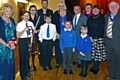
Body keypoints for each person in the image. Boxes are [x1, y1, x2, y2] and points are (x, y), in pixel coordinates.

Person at [53, 1, 73, 68]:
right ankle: (58, 62)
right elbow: (53, 24)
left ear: (65, 6)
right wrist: (56, 33)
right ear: (58, 7)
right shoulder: (55, 14)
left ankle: (67, 61)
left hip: (67, 34)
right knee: (58, 48)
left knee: (67, 48)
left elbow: (71, 24)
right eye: (60, 6)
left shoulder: (69, 13)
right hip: (58, 34)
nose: (61, 7)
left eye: (62, 5)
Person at [87, 5, 106, 74]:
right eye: (94, 9)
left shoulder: (102, 18)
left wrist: (94, 38)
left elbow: (101, 30)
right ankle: (94, 66)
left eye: (96, 9)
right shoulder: (90, 18)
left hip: (98, 39)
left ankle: (96, 67)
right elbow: (87, 28)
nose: (95, 11)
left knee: (98, 55)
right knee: (93, 54)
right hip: (91, 38)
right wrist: (90, 36)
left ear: (99, 10)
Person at [104, 1, 120, 80]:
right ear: (109, 8)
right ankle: (111, 74)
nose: (113, 7)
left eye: (115, 6)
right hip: (108, 41)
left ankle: (118, 76)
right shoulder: (106, 17)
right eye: (111, 6)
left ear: (118, 7)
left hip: (118, 42)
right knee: (110, 60)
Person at [16, 11, 35, 80]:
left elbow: (32, 33)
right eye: (25, 16)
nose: (26, 17)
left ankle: (27, 71)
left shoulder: (31, 23)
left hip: (29, 40)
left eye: (28, 16)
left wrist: (31, 42)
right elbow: (17, 35)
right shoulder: (19, 24)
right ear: (22, 16)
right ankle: (22, 74)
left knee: (27, 58)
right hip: (22, 41)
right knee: (23, 58)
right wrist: (24, 30)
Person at [0, 3, 16, 80]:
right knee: (3, 66)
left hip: (10, 47)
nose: (9, 13)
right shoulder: (0, 21)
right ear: (3, 11)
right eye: (7, 11)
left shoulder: (12, 20)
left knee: (10, 65)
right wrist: (6, 44)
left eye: (10, 11)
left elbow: (14, 33)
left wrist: (13, 42)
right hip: (2, 48)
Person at [37, 0, 53, 65]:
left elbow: (52, 22)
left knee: (49, 51)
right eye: (43, 3)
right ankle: (41, 62)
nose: (44, 4)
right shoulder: (38, 12)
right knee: (41, 50)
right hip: (41, 32)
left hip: (49, 34)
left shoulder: (50, 11)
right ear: (41, 4)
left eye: (46, 3)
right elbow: (36, 21)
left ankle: (48, 62)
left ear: (47, 4)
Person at [29, 5, 40, 71]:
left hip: (35, 37)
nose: (33, 11)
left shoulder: (37, 18)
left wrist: (37, 30)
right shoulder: (27, 18)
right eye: (32, 10)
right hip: (29, 37)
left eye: (34, 10)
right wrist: (32, 31)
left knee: (33, 51)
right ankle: (28, 65)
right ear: (30, 11)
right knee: (28, 52)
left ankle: (33, 64)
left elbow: (40, 27)